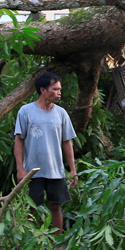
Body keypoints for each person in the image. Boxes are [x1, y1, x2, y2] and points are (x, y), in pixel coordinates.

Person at [14, 72, 78, 233]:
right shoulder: (26, 111)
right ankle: (28, 244)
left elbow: (67, 142)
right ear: (42, 90)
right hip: (32, 171)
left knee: (55, 206)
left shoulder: (61, 113)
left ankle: (58, 245)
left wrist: (73, 169)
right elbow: (19, 141)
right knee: (31, 208)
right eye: (55, 89)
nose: (59, 93)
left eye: (60, 89)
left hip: (55, 170)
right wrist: (20, 169)